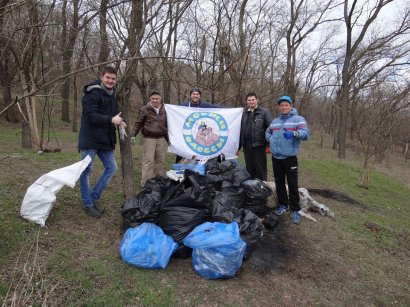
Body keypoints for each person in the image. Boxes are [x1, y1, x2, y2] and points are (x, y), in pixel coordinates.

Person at [78, 66, 126, 218]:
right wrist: (111, 119)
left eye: (113, 78)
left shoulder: (112, 95)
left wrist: (119, 122)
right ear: (102, 77)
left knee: (112, 167)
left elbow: (112, 115)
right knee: (86, 171)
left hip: (105, 139)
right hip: (90, 138)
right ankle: (88, 204)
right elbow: (91, 116)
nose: (111, 81)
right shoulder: (92, 93)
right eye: (108, 78)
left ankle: (93, 198)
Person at [265, 95, 309, 224]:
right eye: (281, 105)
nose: (283, 107)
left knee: (292, 183)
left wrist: (294, 133)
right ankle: (283, 205)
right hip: (276, 157)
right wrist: (270, 139)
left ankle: (295, 209)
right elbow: (267, 132)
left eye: (286, 105)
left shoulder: (298, 119)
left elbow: (306, 134)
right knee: (279, 182)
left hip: (290, 158)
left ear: (290, 106)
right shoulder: (275, 121)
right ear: (279, 107)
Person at [130, 90, 169, 186]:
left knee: (160, 161)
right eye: (153, 99)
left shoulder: (165, 109)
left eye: (157, 98)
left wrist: (169, 140)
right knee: (148, 161)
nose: (155, 100)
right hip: (149, 138)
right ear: (150, 99)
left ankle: (159, 180)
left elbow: (167, 125)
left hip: (160, 138)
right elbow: (138, 123)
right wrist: (133, 135)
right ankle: (146, 183)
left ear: (160, 99)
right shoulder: (145, 109)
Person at [176, 87, 218, 162]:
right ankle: (178, 167)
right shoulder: (184, 105)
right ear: (190, 95)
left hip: (199, 135)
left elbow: (217, 108)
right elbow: (176, 113)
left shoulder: (204, 105)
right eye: (193, 94)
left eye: (197, 94)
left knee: (200, 150)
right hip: (187, 133)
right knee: (182, 153)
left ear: (200, 96)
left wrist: (231, 110)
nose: (195, 96)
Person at [239, 92, 273, 181]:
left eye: (253, 100)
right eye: (249, 100)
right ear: (246, 101)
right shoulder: (243, 113)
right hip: (246, 145)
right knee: (249, 168)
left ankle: (262, 188)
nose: (251, 102)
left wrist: (269, 144)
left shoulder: (265, 112)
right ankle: (252, 189)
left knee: (260, 168)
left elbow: (271, 128)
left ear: (257, 100)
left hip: (259, 145)